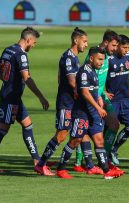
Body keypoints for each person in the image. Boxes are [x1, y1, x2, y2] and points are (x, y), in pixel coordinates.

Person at [0, 27, 49, 173]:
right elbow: (27, 78)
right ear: (28, 40)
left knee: (27, 124)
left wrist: (7, 81)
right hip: (10, 98)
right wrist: (41, 97)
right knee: (2, 130)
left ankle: (37, 161)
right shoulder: (21, 55)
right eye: (34, 43)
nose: (33, 46)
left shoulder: (8, 49)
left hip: (13, 97)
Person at [55, 47, 123, 179]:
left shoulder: (94, 72)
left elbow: (93, 91)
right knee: (75, 141)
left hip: (92, 113)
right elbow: (85, 93)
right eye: (99, 59)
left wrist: (98, 99)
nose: (101, 63)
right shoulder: (84, 72)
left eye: (103, 60)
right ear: (91, 58)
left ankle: (106, 170)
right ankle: (61, 169)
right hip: (81, 113)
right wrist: (98, 108)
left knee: (99, 141)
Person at [34, 27, 88, 176]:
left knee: (77, 134)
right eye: (84, 41)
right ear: (75, 40)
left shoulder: (74, 57)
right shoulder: (69, 57)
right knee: (62, 135)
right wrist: (84, 93)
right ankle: (41, 164)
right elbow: (72, 81)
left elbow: (60, 78)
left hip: (72, 102)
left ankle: (73, 165)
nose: (86, 45)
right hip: (67, 103)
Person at [73, 30, 121, 174]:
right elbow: (87, 77)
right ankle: (81, 161)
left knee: (113, 124)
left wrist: (103, 92)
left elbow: (99, 77)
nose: (115, 48)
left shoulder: (107, 56)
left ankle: (103, 159)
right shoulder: (95, 56)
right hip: (91, 98)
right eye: (113, 45)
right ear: (106, 43)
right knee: (82, 130)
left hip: (100, 96)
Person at [105, 34, 129, 166]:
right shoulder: (108, 59)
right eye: (124, 47)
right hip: (112, 101)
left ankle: (114, 150)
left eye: (128, 47)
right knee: (109, 129)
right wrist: (104, 92)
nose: (126, 50)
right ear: (117, 45)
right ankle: (104, 157)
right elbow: (98, 76)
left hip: (126, 99)